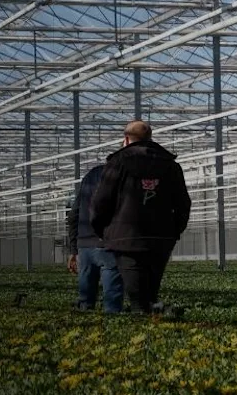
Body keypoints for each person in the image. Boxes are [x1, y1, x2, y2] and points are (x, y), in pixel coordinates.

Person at [90, 120, 192, 314]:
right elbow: (183, 204)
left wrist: (104, 231)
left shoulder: (117, 163)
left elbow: (100, 202)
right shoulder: (170, 165)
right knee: (151, 293)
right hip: (160, 240)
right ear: (150, 138)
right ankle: (153, 324)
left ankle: (144, 328)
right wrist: (173, 231)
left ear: (126, 139)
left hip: (125, 239)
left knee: (136, 297)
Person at [67, 164, 123, 313]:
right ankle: (112, 328)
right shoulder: (120, 177)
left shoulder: (89, 177)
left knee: (85, 300)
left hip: (84, 248)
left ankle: (84, 330)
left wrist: (73, 250)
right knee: (112, 302)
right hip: (108, 246)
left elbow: (73, 215)